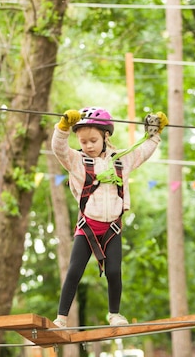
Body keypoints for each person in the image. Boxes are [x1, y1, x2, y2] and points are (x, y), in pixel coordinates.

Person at [51, 106, 168, 328]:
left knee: (114, 271)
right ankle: (61, 318)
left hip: (112, 228)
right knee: (74, 271)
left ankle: (115, 314)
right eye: (83, 141)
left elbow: (143, 151)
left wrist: (155, 134)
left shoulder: (121, 160)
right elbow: (59, 148)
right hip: (87, 227)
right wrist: (63, 128)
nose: (88, 146)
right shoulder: (76, 161)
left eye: (93, 140)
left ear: (106, 136)